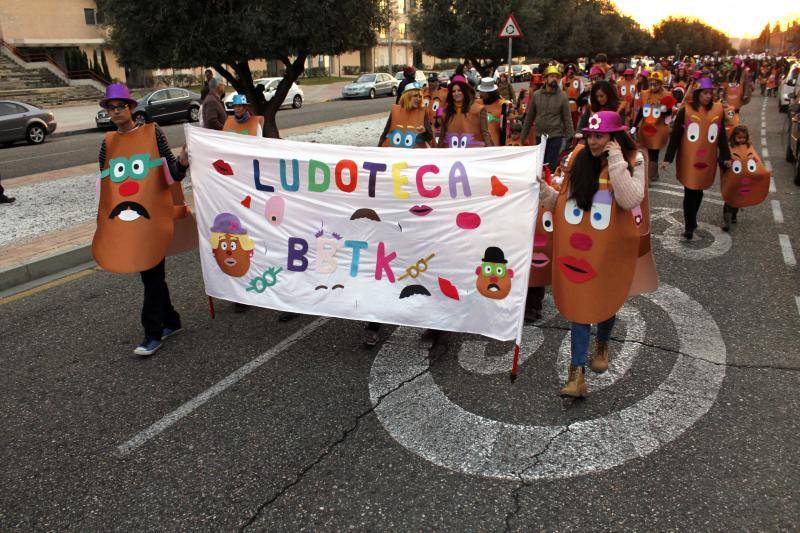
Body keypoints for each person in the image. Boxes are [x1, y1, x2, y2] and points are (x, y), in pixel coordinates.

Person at [537, 111, 645, 397]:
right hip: (577, 252)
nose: (593, 141)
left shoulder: (634, 159)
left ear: (614, 137)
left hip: (609, 253)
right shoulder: (578, 157)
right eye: (590, 136)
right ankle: (576, 376)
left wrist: (615, 159)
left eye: (600, 136)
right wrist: (541, 190)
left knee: (605, 306)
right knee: (579, 310)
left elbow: (630, 198)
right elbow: (562, 200)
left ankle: (603, 344)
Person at [94, 83, 190, 356]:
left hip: (153, 218)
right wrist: (104, 223)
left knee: (151, 274)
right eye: (110, 107)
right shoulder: (108, 143)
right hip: (126, 220)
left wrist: (182, 165)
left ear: (131, 108)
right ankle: (171, 320)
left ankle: (152, 333)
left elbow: (170, 170)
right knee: (151, 275)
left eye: (120, 106)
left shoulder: (152, 132)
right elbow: (106, 184)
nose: (115, 111)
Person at [662, 77, 731, 240]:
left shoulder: (718, 110)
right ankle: (689, 225)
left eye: (710, 93)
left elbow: (721, 136)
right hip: (688, 158)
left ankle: (691, 221)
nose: (708, 96)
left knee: (699, 192)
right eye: (705, 93)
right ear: (698, 93)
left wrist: (726, 156)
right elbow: (676, 136)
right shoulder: (686, 110)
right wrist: (668, 158)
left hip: (707, 158)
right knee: (690, 190)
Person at [520, 65, 574, 171]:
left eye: (556, 77)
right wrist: (523, 136)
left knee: (550, 166)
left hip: (556, 136)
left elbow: (567, 118)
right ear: (545, 79)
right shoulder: (536, 95)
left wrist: (570, 138)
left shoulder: (563, 96)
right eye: (552, 76)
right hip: (540, 136)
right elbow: (529, 117)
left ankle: (549, 186)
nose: (555, 79)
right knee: (540, 165)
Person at [633, 70, 674, 182]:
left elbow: (669, 113)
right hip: (646, 127)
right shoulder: (645, 94)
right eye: (651, 83)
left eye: (655, 84)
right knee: (645, 150)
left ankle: (649, 177)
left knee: (654, 151)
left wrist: (662, 108)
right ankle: (653, 173)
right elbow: (642, 111)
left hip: (659, 128)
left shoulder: (666, 95)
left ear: (660, 84)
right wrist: (634, 125)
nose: (652, 86)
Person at [378, 82, 433, 148]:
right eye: (415, 96)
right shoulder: (395, 110)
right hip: (396, 153)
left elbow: (430, 136)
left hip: (414, 155)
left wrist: (425, 131)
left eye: (420, 96)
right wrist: (379, 150)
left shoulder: (422, 111)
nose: (418, 99)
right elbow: (385, 132)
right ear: (407, 96)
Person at [438, 80, 491, 148]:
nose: (456, 93)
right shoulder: (445, 111)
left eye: (459, 90)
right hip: (451, 154)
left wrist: (490, 151)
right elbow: (442, 134)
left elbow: (485, 133)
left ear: (465, 92)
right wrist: (437, 151)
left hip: (473, 154)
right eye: (453, 91)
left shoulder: (479, 109)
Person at [477, 77, 510, 146]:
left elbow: (503, 127)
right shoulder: (476, 103)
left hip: (495, 144)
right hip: (480, 144)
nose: (480, 92)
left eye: (483, 91)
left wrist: (503, 145)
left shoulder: (502, 105)